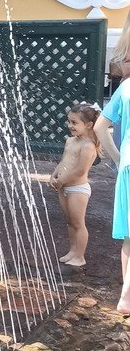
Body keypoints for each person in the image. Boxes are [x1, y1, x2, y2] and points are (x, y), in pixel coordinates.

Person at [94, 77, 130, 316]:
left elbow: (99, 127)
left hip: (127, 165)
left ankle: (127, 297)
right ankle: (126, 297)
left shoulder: (126, 86)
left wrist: (118, 158)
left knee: (129, 236)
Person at [49, 103, 101, 268]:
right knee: (70, 221)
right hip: (64, 186)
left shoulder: (88, 146)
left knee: (78, 223)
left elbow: (80, 170)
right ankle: (72, 250)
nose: (70, 125)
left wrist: (61, 180)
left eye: (74, 122)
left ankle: (80, 256)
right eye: (69, 121)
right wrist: (54, 175)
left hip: (77, 189)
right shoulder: (70, 141)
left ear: (89, 125)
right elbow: (63, 161)